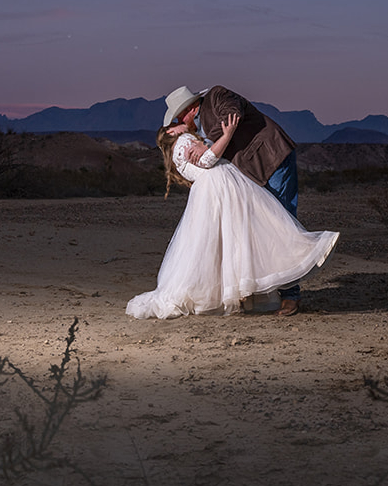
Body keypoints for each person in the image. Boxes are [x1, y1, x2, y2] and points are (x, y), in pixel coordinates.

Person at [126, 110, 337, 319]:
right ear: (171, 132)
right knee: (260, 225)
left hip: (214, 191)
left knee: (224, 241)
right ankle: (305, 249)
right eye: (176, 122)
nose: (181, 122)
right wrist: (227, 135)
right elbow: (207, 160)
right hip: (221, 187)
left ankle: (236, 292)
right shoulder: (183, 141)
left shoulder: (176, 151)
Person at [160, 84, 310, 315]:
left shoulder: (217, 96)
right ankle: (262, 288)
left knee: (282, 221)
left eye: (179, 116)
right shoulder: (192, 133)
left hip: (272, 158)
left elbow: (233, 114)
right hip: (249, 176)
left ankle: (291, 294)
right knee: (256, 228)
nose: (179, 121)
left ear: (189, 109)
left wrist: (207, 145)